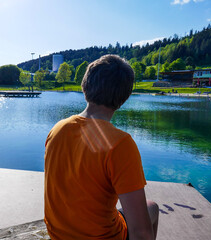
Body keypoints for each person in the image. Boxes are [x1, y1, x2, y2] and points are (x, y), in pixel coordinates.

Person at [44, 55, 159, 240]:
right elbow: (141, 233)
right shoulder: (120, 144)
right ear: (123, 97)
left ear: (85, 86)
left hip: (58, 234)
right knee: (152, 207)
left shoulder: (57, 129)